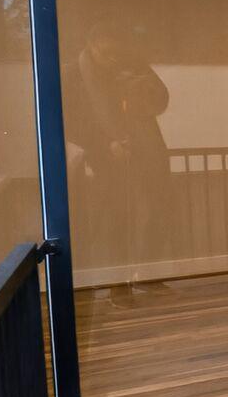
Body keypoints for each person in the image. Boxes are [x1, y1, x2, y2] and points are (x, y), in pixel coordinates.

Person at [65, 21, 170, 278]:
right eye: (106, 53)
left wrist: (141, 86)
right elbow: (70, 123)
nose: (113, 59)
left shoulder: (132, 65)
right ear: (91, 46)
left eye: (117, 52)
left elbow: (161, 100)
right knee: (116, 219)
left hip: (145, 155)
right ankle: (118, 285)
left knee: (157, 211)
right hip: (105, 162)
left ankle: (149, 277)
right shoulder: (72, 75)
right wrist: (105, 144)